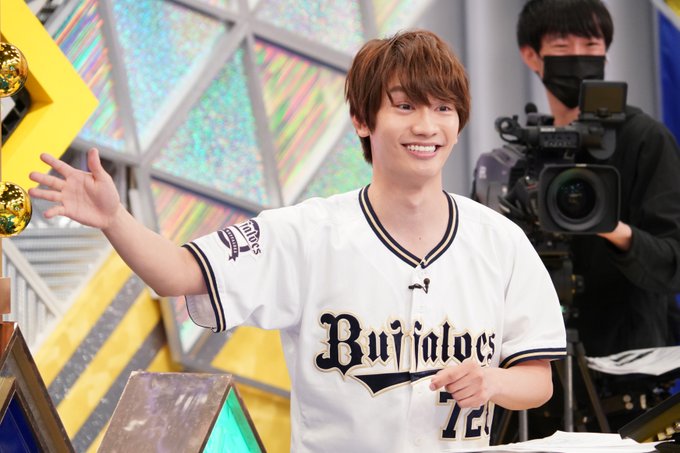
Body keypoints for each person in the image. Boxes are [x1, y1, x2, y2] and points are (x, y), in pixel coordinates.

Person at [29, 30, 566, 451]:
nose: (427, 126)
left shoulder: (501, 241)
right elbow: (176, 273)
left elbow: (537, 379)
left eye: (443, 108)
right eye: (405, 106)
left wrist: (493, 383)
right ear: (362, 119)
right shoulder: (306, 233)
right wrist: (113, 218)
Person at [514, 0, 680, 433]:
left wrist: (612, 228)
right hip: (538, 379)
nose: (578, 57)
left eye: (590, 44)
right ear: (531, 55)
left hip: (629, 383)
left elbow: (673, 264)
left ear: (606, 50)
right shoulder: (525, 153)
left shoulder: (645, 139)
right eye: (562, 46)